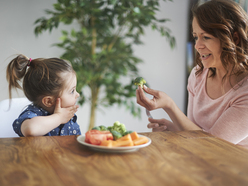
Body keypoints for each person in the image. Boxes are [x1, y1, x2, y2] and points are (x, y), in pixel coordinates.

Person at [136, 0, 248, 148]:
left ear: (234, 38)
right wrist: (172, 128)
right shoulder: (198, 75)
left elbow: (214, 146)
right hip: (202, 162)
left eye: (206, 37)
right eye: (196, 37)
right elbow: (196, 132)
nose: (197, 45)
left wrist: (169, 106)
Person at [6, 54, 81, 136]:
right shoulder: (33, 114)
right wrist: (59, 117)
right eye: (72, 91)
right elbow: (30, 129)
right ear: (49, 101)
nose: (78, 94)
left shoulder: (69, 118)